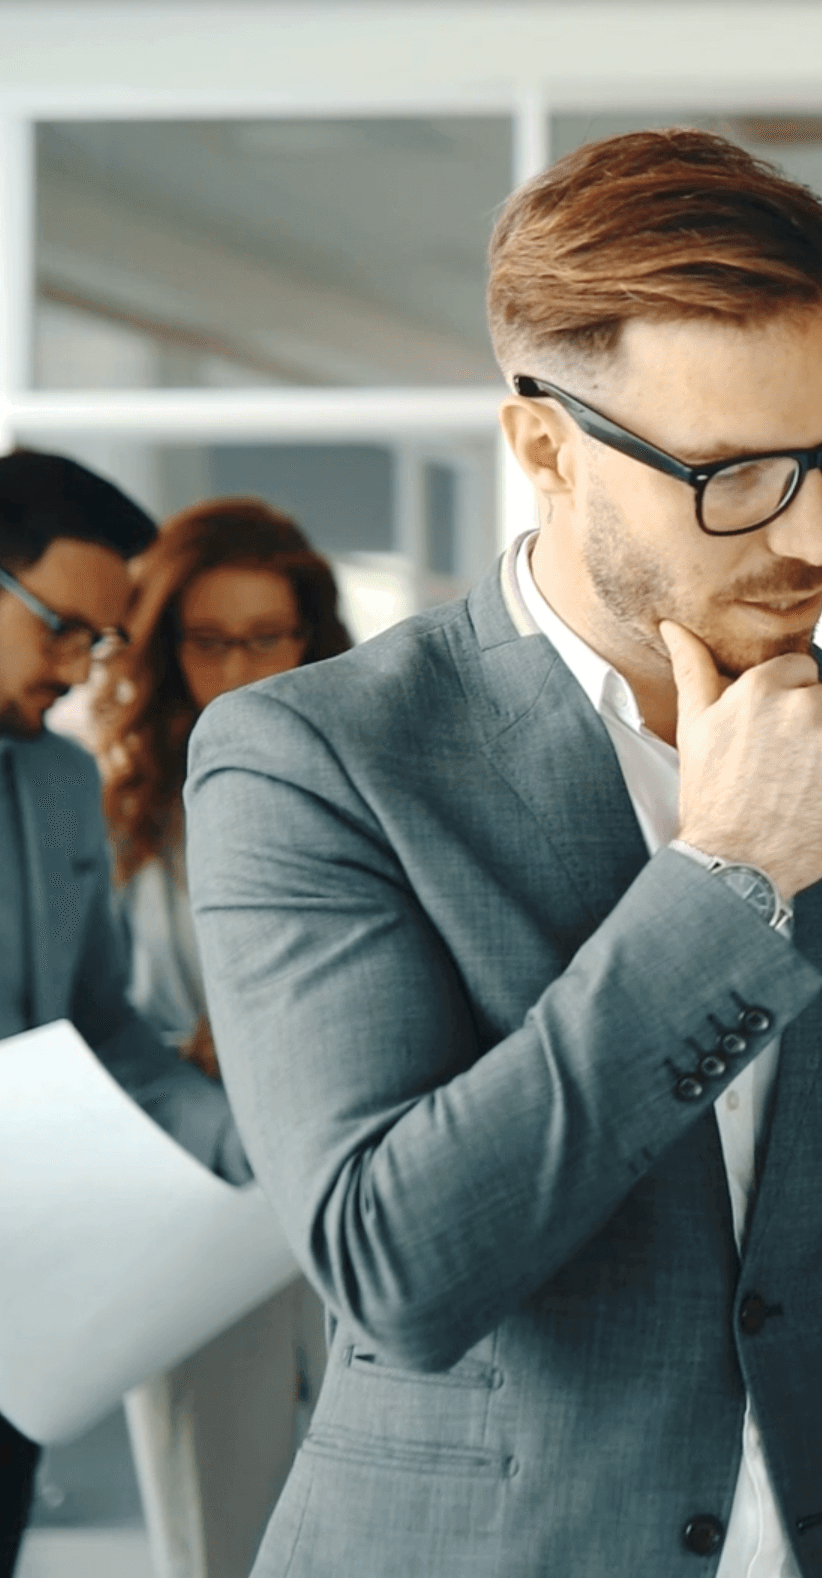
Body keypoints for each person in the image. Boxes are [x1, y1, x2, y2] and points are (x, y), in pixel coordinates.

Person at [183, 129, 822, 1578]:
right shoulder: (314, 759)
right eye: (739, 473)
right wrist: (727, 883)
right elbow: (396, 1267)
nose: (818, 528)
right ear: (549, 450)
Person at [0, 451, 250, 1574]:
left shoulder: (56, 784)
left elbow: (99, 1028)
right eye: (61, 628)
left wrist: (246, 1144)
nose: (79, 666)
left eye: (96, 641)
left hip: (30, 1320)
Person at [92, 500, 350, 1578]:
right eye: (210, 640)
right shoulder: (110, 799)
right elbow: (85, 1015)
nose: (240, 665)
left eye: (266, 637)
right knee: (216, 1529)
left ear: (309, 639)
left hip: (342, 1179)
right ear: (162, 647)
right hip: (191, 1201)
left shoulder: (360, 781)